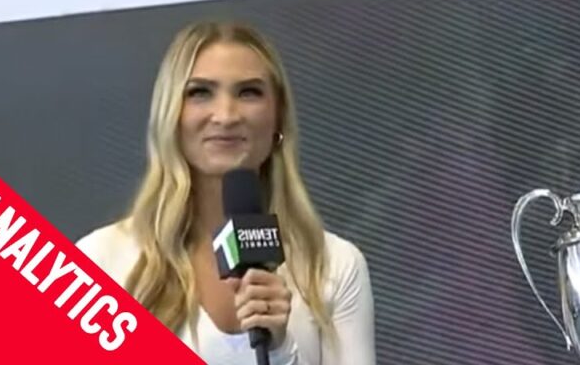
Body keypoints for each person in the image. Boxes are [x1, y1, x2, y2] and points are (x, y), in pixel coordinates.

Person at [76, 21, 376, 365]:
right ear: (170, 116)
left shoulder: (334, 265)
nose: (226, 115)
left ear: (278, 118)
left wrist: (279, 350)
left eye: (249, 92)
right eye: (200, 92)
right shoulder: (99, 261)